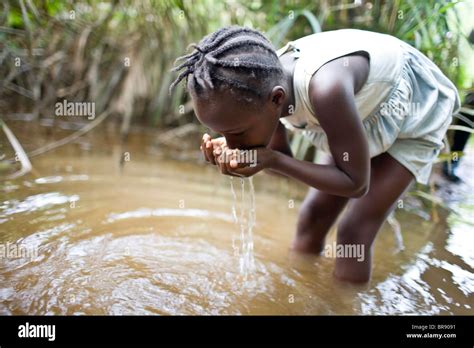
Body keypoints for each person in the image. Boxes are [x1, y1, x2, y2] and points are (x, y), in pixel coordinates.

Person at [169, 26, 460, 283]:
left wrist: (271, 158)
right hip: (354, 116)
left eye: (237, 133)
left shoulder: (325, 89)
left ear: (278, 100)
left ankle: (345, 306)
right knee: (313, 214)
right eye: (222, 133)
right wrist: (252, 158)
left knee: (353, 231)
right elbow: (274, 162)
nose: (231, 143)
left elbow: (356, 184)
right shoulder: (260, 90)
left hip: (411, 112)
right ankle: (303, 288)